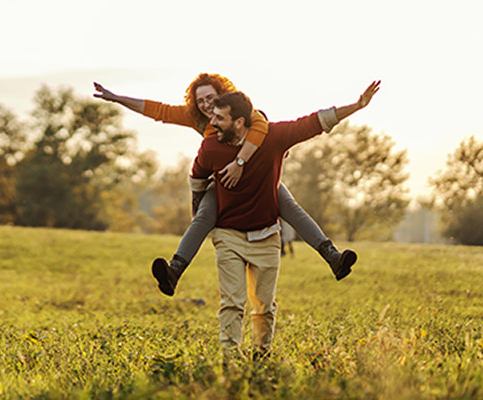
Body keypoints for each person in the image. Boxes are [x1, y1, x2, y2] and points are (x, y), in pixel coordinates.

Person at [93, 75, 356, 297]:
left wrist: (241, 161)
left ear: (222, 95)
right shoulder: (197, 119)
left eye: (210, 98)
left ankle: (333, 257)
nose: (206, 105)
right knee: (203, 217)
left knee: (291, 208)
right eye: (200, 101)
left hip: (258, 177)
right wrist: (117, 98)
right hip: (222, 182)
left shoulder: (244, 114)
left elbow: (265, 125)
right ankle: (174, 271)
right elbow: (157, 110)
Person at [188, 82, 380, 356]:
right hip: (228, 234)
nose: (213, 122)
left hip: (266, 235)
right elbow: (196, 178)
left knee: (264, 305)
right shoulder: (210, 147)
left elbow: (315, 122)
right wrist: (199, 213)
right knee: (232, 301)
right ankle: (230, 358)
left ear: (239, 122)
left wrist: (357, 106)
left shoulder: (275, 137)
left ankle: (261, 354)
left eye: (219, 118)